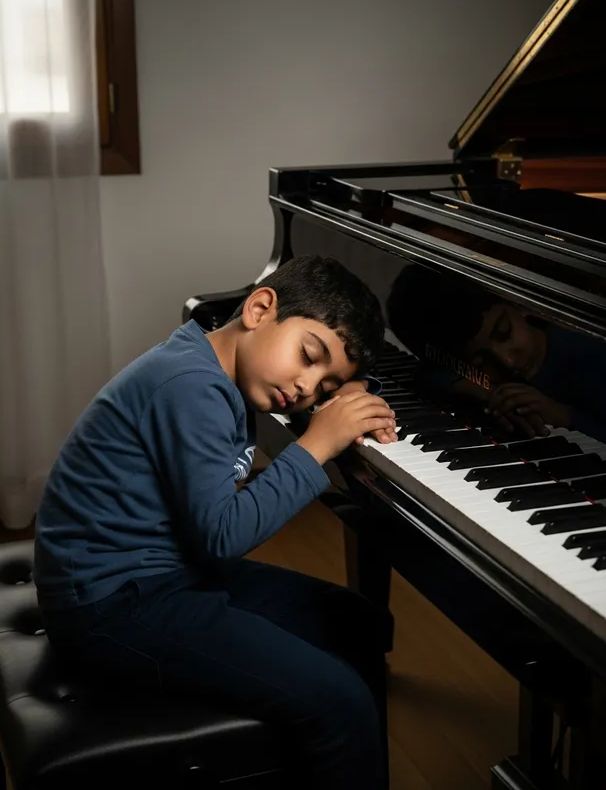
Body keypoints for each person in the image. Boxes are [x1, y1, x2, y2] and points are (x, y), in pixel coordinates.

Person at [33, 254, 399, 790]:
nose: (307, 388)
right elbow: (223, 535)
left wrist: (344, 396)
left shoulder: (214, 364)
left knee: (355, 621)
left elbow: (208, 528)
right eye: (309, 356)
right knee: (340, 703)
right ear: (259, 308)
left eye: (325, 386)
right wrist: (318, 442)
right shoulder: (191, 386)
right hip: (108, 605)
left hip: (161, 575)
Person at [386, 264, 606, 457]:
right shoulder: (456, 363)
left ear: (516, 303)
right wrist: (484, 390)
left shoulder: (585, 352)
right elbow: (430, 373)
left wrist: (564, 415)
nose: (508, 361)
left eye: (504, 332)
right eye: (480, 360)